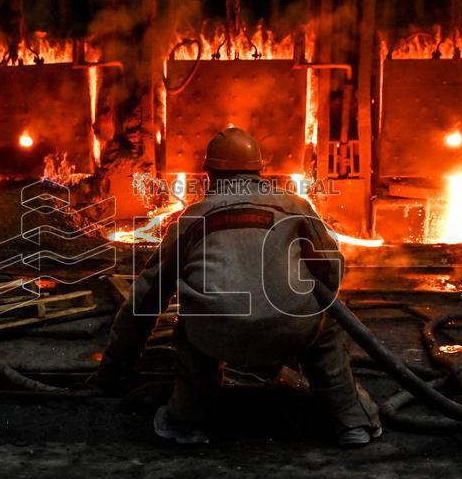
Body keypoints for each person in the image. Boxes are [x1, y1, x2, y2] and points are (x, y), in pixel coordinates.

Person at [98, 127, 381, 446]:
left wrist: (114, 370)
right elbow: (330, 267)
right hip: (291, 329)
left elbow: (147, 298)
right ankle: (351, 423)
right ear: (260, 169)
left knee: (190, 326)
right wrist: (305, 306)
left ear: (210, 173)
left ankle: (185, 421)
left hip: (217, 336)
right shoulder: (294, 206)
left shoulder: (193, 217)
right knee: (326, 331)